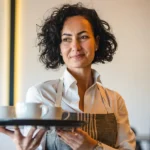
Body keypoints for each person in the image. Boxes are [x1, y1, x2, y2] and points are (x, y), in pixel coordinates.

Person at [0, 3, 136, 150]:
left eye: (83, 37)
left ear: (96, 43)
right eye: (66, 39)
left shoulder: (115, 101)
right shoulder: (41, 94)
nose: (75, 46)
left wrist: (92, 147)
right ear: (58, 47)